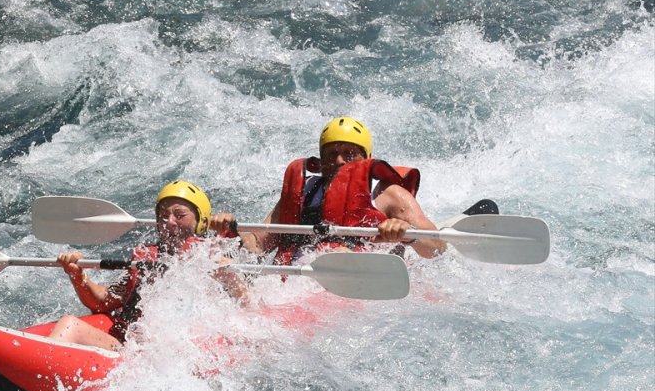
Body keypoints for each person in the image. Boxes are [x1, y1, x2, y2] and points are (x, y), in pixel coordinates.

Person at [47, 180, 248, 350]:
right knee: (69, 324)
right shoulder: (146, 259)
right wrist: (77, 275)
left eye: (179, 215)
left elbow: (248, 305)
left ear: (200, 222)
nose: (169, 222)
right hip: (136, 350)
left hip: (181, 353)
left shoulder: (213, 255)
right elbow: (104, 301)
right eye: (163, 216)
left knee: (69, 325)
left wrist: (229, 241)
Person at [219, 116, 446, 263]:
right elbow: (258, 244)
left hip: (365, 278)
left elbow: (437, 247)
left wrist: (406, 233)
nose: (338, 161)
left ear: (366, 158)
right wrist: (230, 234)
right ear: (320, 160)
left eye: (349, 154)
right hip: (303, 282)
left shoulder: (388, 194)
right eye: (331, 154)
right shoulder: (304, 192)